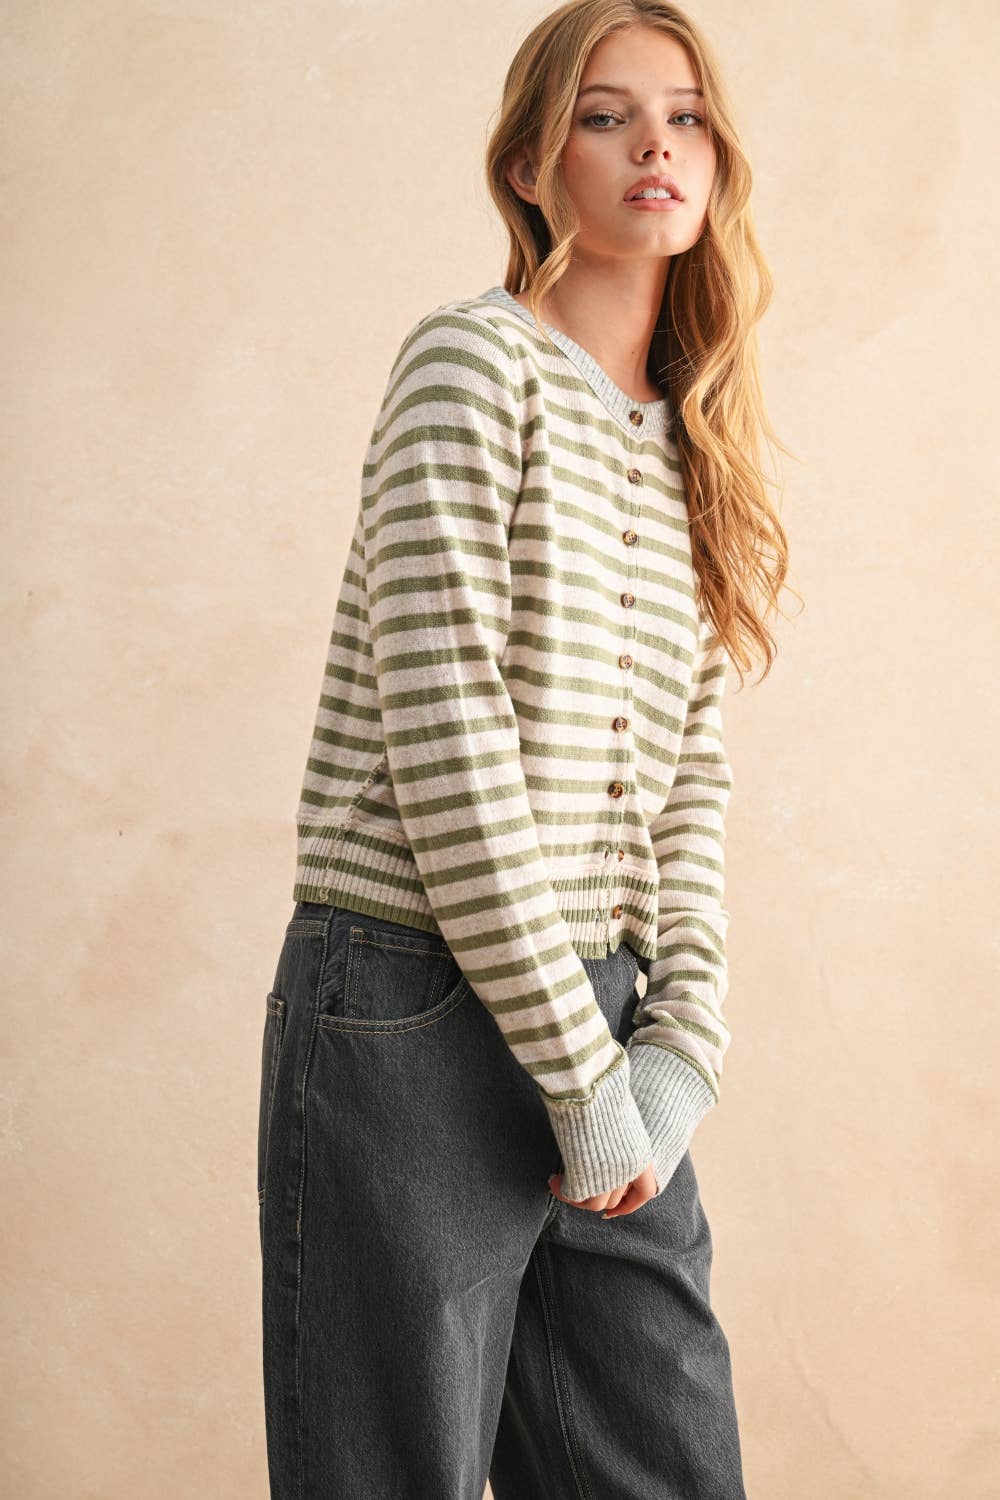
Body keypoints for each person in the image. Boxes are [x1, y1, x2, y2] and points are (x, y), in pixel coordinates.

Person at [257, 2, 791, 1495]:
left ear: (717, 162)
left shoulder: (694, 441)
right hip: (409, 1003)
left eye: (684, 117)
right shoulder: (469, 364)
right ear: (531, 164)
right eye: (605, 116)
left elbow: (691, 776)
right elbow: (447, 740)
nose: (653, 145)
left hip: (608, 1018)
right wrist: (577, 1070)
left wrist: (680, 1044)